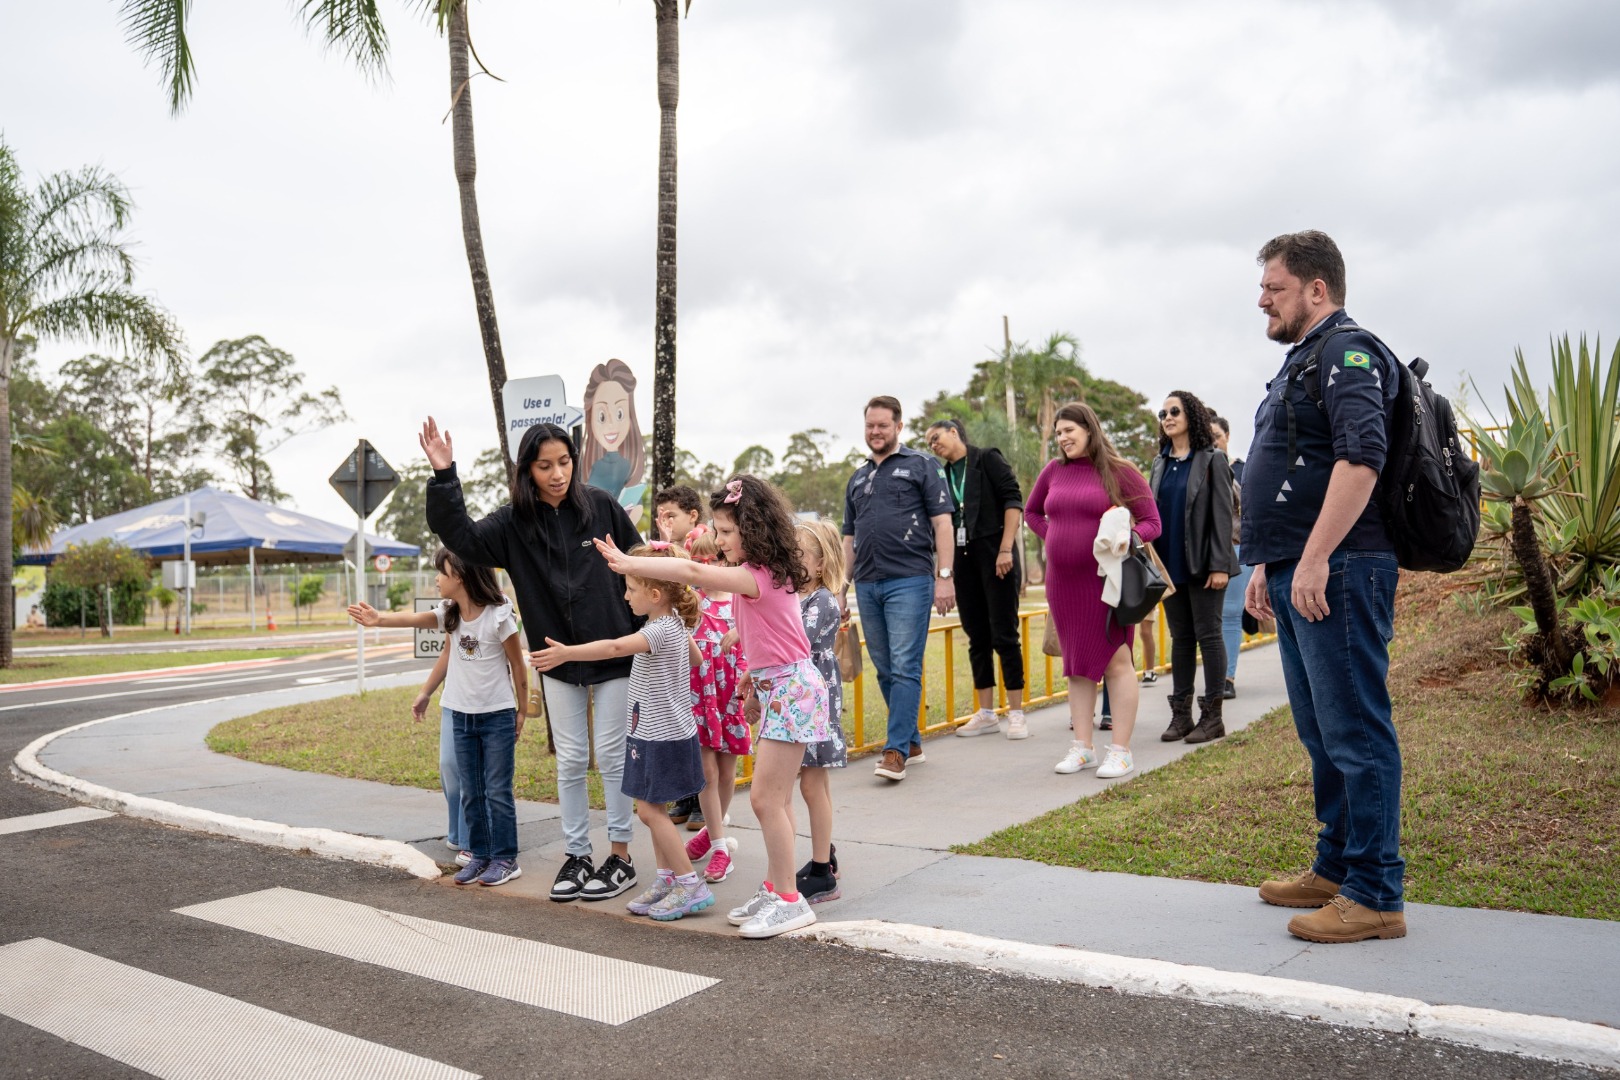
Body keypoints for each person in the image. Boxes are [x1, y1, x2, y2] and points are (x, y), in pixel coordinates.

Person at [1245, 230, 1405, 944]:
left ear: (1316, 289)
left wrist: (1311, 560)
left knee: (1356, 730)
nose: (1262, 300)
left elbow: (1361, 460)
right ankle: (1338, 866)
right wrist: (1267, 564)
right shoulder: (1302, 361)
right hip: (1299, 569)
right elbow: (1288, 468)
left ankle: (1375, 893)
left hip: (1340, 568)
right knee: (1320, 731)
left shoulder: (1348, 350)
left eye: (1273, 288)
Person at [597, 475, 831, 939]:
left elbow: (694, 573)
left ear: (754, 529)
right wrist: (752, 675)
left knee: (766, 799)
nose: (719, 541)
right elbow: (782, 637)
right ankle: (777, 887)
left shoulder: (754, 574)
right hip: (783, 686)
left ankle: (789, 900)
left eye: (725, 532)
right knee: (775, 800)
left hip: (792, 692)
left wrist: (629, 560)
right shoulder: (766, 573)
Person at [423, 418, 646, 904]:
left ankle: (621, 857)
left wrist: (648, 623)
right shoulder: (512, 525)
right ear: (527, 469)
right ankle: (578, 854)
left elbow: (638, 558)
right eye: (545, 466)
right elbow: (459, 535)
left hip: (613, 654)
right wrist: (444, 475)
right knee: (569, 760)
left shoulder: (603, 506)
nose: (557, 474)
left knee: (610, 757)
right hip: (555, 658)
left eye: (564, 462)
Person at [531, 545, 715, 922]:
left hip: (660, 736)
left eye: (630, 588)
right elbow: (696, 659)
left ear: (655, 595)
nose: (625, 595)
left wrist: (568, 653)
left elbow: (615, 647)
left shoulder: (660, 629)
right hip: (666, 733)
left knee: (648, 811)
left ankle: (689, 884)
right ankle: (667, 880)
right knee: (656, 808)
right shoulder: (674, 626)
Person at [348, 548, 527, 886]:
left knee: (497, 790)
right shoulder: (450, 612)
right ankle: (480, 855)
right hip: (460, 715)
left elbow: (518, 664)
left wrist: (522, 710)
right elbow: (417, 623)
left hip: (496, 715)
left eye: (441, 574)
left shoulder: (499, 613)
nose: (436, 580)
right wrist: (379, 619)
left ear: (459, 575)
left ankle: (506, 858)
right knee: (470, 790)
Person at [1025, 402, 1161, 780]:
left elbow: (1153, 522)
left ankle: (1121, 751)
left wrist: (1127, 538)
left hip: (1107, 583)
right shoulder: (1053, 471)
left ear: (1089, 429)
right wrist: (1056, 535)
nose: (1063, 437)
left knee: (1117, 662)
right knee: (1077, 666)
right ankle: (1082, 748)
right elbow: (1032, 513)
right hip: (1062, 584)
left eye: (1069, 429)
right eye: (1058, 433)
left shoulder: (1120, 472)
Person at [842, 395, 955, 782]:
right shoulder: (857, 477)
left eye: (883, 426)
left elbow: (943, 524)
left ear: (898, 427)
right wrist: (842, 586)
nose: (875, 432)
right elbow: (848, 536)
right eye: (870, 426)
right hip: (868, 584)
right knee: (885, 669)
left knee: (906, 665)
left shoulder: (922, 465)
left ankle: (894, 752)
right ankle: (912, 740)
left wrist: (945, 576)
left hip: (911, 579)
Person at [924, 419, 1029, 739]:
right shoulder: (941, 474)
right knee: (976, 637)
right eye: (928, 442)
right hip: (962, 561)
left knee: (1004, 635)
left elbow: (1013, 502)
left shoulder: (986, 459)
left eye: (936, 437)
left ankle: (1016, 712)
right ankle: (985, 713)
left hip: (996, 555)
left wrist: (1006, 549)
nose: (933, 444)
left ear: (954, 432)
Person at [1150, 390, 1238, 745]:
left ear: (1192, 416)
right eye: (1163, 412)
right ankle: (1181, 716)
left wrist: (1219, 565)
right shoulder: (1160, 463)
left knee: (1210, 636)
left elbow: (1222, 514)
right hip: (1168, 568)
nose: (1168, 417)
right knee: (1181, 639)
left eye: (1175, 411)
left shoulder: (1212, 459)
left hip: (1204, 565)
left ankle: (1212, 717)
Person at [681, 524, 748, 883]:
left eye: (713, 560)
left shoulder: (742, 602)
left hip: (732, 698)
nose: (706, 567)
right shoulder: (693, 605)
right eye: (699, 561)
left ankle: (711, 831)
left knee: (726, 773)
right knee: (706, 773)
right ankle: (721, 848)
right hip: (700, 699)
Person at [793, 519, 849, 905]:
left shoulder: (822, 600)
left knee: (812, 785)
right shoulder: (802, 596)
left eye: (799, 555)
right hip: (807, 696)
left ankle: (820, 873)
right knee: (817, 785)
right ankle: (823, 854)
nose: (790, 560)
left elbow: (798, 641)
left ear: (820, 563)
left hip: (814, 699)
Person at [654, 483, 707, 828]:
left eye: (671, 515)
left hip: (704, 645)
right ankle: (688, 795)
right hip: (681, 646)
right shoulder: (671, 547)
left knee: (699, 724)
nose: (666, 522)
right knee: (683, 719)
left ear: (693, 515)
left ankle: (702, 797)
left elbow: (685, 569)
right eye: (660, 516)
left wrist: (669, 544)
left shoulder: (703, 544)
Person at [1211, 416, 1251, 699]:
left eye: (1217, 435)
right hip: (1206, 552)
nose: (1213, 440)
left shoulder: (1241, 469)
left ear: (1227, 435)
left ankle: (1227, 676)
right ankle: (1214, 673)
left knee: (1230, 614)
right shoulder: (1198, 467)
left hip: (1237, 547)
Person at [580, 359, 648, 523]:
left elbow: (636, 508)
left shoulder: (626, 465)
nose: (611, 424)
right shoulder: (585, 466)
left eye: (619, 413)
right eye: (602, 416)